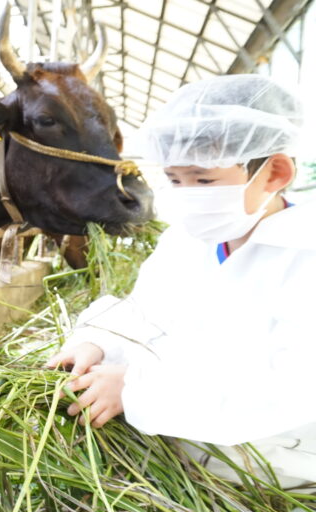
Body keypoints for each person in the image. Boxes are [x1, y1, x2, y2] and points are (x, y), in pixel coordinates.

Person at [45, 73, 316, 487]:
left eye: (204, 180)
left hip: (266, 467)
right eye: (174, 179)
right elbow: (145, 310)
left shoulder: (305, 254)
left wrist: (137, 390)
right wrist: (97, 340)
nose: (187, 194)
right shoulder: (188, 240)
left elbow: (290, 385)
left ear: (275, 173)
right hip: (174, 442)